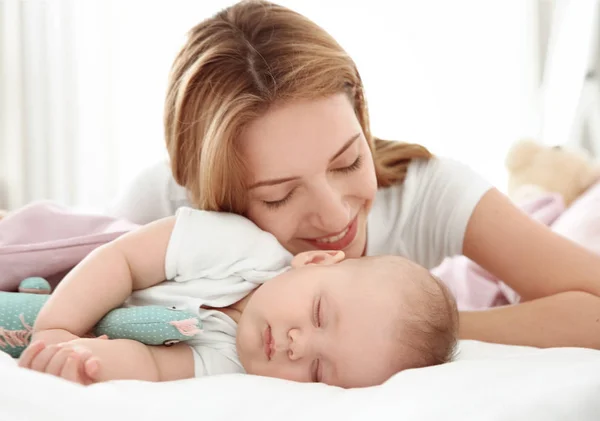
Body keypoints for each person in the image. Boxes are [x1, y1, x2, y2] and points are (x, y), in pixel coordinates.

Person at [109, 0, 600, 349]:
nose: (334, 215)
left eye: (347, 162)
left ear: (362, 119)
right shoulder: (163, 210)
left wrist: (406, 332)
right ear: (210, 193)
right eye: (279, 196)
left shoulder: (427, 193)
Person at [19, 208, 458, 388]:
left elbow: (153, 366)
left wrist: (88, 363)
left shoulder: (235, 368)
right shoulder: (241, 247)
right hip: (67, 262)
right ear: (317, 261)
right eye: (319, 314)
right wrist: (58, 327)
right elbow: (122, 260)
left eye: (318, 370)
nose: (297, 344)